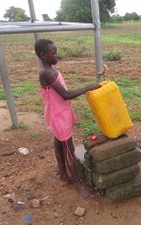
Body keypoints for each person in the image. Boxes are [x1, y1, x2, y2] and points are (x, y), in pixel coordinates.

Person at [34, 39, 100, 192]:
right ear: (43, 55)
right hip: (59, 116)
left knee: (59, 145)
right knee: (69, 149)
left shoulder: (50, 70)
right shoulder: (47, 73)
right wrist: (89, 87)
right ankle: (78, 185)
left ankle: (63, 176)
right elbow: (65, 95)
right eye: (54, 53)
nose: (57, 55)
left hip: (58, 113)